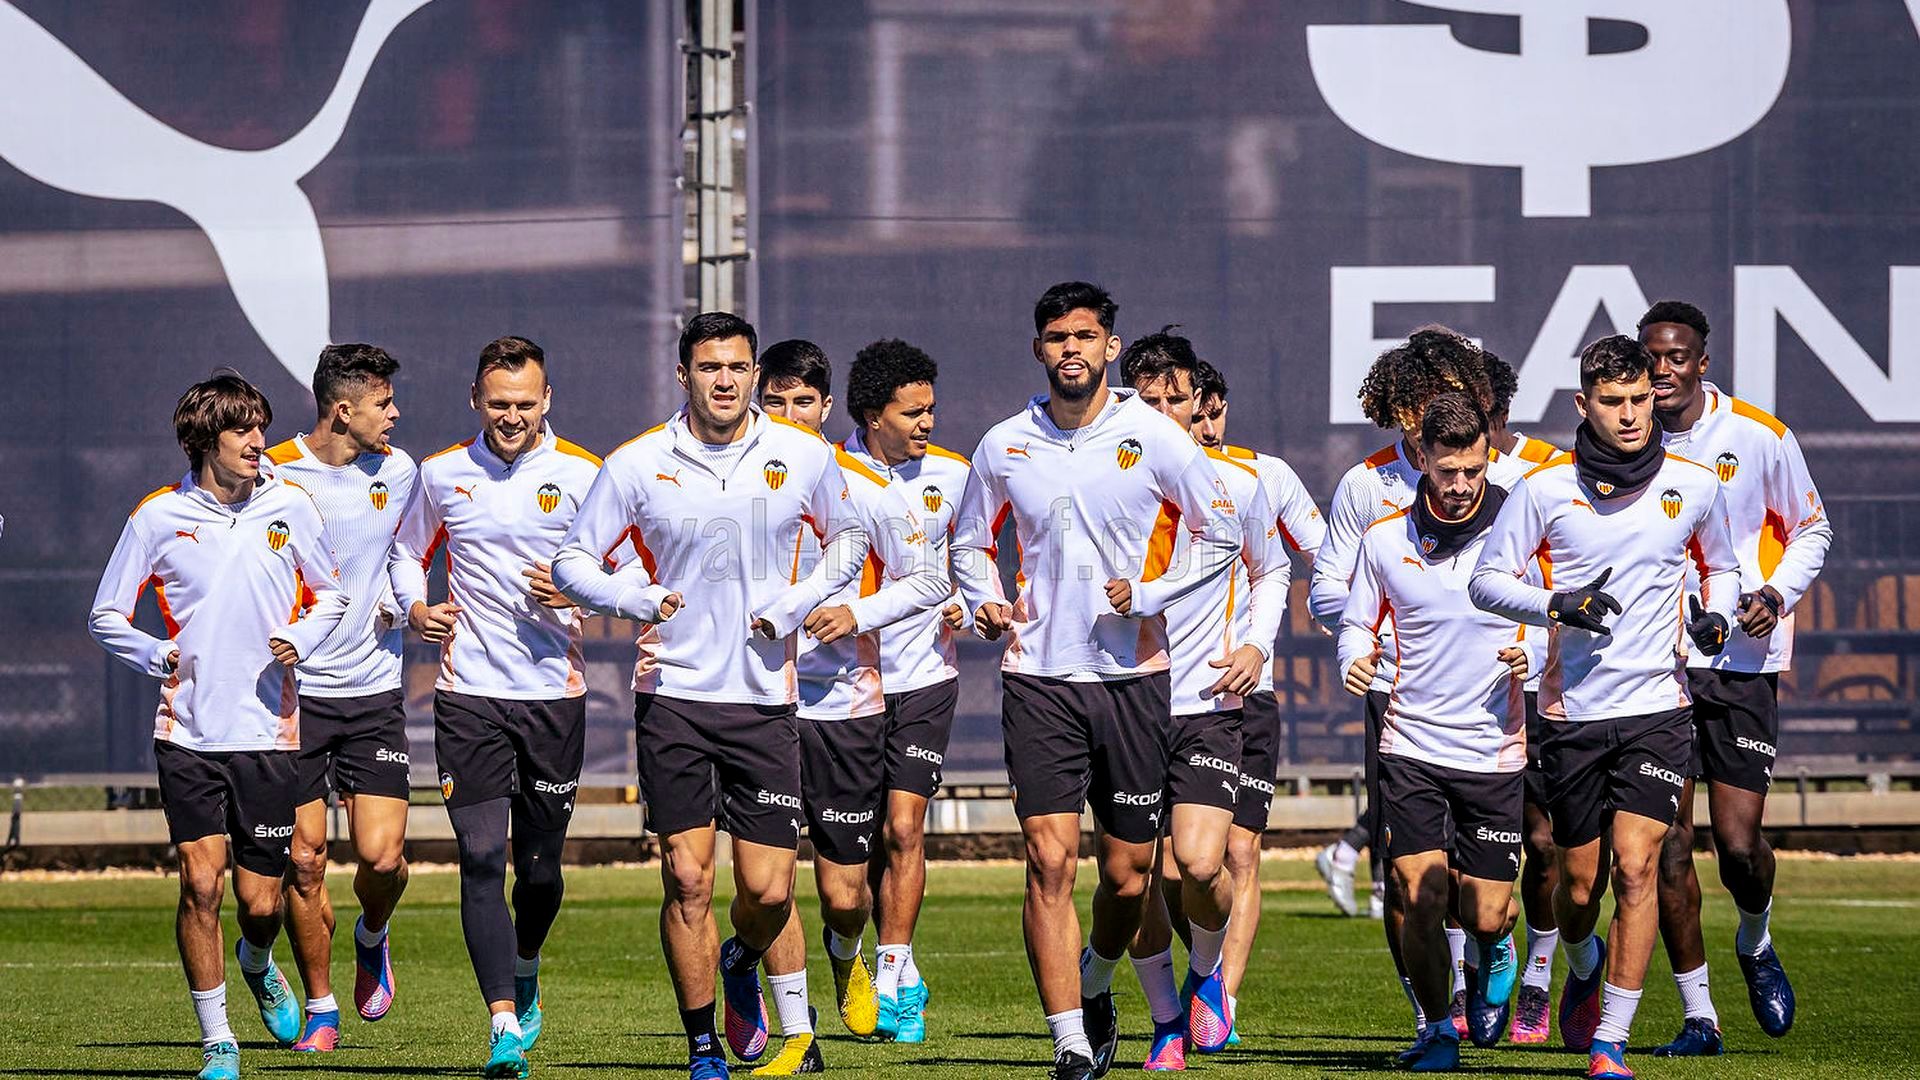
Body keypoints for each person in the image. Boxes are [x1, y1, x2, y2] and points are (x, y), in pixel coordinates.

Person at [550, 313, 865, 1080]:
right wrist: (637, 597)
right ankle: (702, 1048)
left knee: (765, 887)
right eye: (708, 366)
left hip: (764, 700)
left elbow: (849, 543)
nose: (724, 379)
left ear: (754, 374)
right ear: (683, 373)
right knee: (687, 878)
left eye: (737, 366)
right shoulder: (635, 463)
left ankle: (740, 960)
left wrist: (792, 608)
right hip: (675, 698)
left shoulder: (804, 454)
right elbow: (571, 562)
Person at [949, 282, 1242, 1080]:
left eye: (1085, 335)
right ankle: (1070, 1042)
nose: (1070, 349)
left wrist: (1147, 596)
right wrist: (982, 598)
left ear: (1111, 346)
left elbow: (1221, 534)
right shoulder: (1004, 442)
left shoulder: (1153, 436)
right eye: (1056, 337)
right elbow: (970, 543)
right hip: (1038, 678)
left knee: (1129, 873)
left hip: (1134, 678)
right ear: (1039, 349)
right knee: (1048, 860)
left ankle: (1098, 980)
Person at [1470, 334, 1741, 1080]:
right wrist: (1558, 603)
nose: (1629, 414)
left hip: (1659, 708)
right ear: (1582, 405)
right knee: (1577, 886)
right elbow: (1488, 582)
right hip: (1571, 716)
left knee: (1637, 866)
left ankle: (1610, 1044)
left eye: (1639, 398)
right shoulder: (1544, 490)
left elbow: (1722, 566)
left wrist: (1714, 617)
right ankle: (1581, 963)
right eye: (1612, 401)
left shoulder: (1694, 483)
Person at [89, 372, 349, 1080]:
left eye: (260, 428)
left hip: (268, 734)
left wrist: (304, 635)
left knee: (260, 902)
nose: (259, 443)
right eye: (242, 431)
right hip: (188, 734)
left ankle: (257, 959)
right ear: (205, 439)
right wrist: (154, 653)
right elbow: (105, 614)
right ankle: (218, 1042)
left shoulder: (290, 506)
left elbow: (331, 596)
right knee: (200, 884)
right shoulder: (156, 516)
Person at [390, 336, 604, 1079]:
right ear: (474, 400)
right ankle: (503, 1024)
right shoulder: (443, 474)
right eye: (498, 404)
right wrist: (415, 609)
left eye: (525, 404)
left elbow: (629, 567)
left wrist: (580, 589)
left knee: (539, 873)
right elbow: (405, 554)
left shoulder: (585, 474)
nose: (511, 417)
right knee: (481, 857)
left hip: (554, 698)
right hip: (469, 696)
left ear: (547, 400)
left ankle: (527, 962)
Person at [749, 340, 948, 1075]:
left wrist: (856, 615)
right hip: (753, 702)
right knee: (763, 879)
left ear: (828, 409)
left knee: (841, 894)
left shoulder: (859, 482)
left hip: (845, 707)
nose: (789, 414)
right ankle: (792, 1028)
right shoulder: (728, 477)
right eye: (776, 401)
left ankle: (845, 956)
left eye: (804, 402)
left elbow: (928, 578)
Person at [1639, 300, 1831, 1055]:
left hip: (1744, 663)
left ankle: (1755, 939)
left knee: (1739, 847)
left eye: (1677, 357)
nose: (1662, 371)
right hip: (1658, 667)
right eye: (1652, 357)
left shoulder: (1757, 435)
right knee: (1671, 846)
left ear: (1701, 361)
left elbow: (1812, 526)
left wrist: (1776, 594)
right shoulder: (1626, 438)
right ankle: (1699, 1016)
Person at [1308, 328, 1496, 1038]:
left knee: (1486, 876)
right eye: (1420, 404)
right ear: (1398, 408)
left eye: (1453, 396)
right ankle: (1430, 1014)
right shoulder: (1366, 484)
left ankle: (1493, 959)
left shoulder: (1495, 477)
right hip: (1397, 692)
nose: (1432, 417)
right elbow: (1327, 586)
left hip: (1488, 694)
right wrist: (1364, 622)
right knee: (1407, 865)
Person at [1339, 392, 1532, 1071]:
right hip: (1411, 744)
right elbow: (1357, 621)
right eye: (1446, 471)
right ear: (1421, 458)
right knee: (1418, 894)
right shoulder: (1384, 539)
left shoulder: (1523, 530)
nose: (1458, 487)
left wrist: (1534, 656)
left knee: (1484, 913)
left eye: (1472, 472)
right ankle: (1434, 1028)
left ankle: (1498, 945)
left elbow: (1560, 615)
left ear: (1489, 460)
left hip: (1493, 749)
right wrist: (1352, 658)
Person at [1115, 331, 1290, 1071]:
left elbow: (1274, 569)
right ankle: (1164, 1025)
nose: (1161, 412)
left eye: (1175, 399)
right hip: (1121, 699)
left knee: (1200, 864)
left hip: (1207, 698)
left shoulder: (1239, 484)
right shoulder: (1097, 479)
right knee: (1133, 875)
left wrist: (1255, 648)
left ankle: (1208, 973)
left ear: (1199, 404)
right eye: (1145, 400)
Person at [266, 344, 416, 1051]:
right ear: (342, 410)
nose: (396, 414)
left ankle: (372, 933)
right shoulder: (270, 472)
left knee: (382, 860)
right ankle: (322, 1009)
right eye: (384, 404)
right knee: (303, 859)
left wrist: (406, 604)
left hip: (373, 691)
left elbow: (402, 554)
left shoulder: (400, 470)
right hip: (294, 696)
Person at [839, 338, 976, 1042]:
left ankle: (896, 973)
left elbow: (977, 558)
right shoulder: (824, 473)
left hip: (926, 676)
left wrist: (972, 604)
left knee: (904, 828)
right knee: (853, 859)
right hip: (845, 685)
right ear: (872, 414)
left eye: (931, 409)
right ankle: (863, 957)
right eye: (912, 412)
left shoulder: (955, 473)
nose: (927, 422)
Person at [1188, 359, 1325, 1042]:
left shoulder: (1263, 475)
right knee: (1177, 863)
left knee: (1240, 850)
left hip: (1250, 691)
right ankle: (1193, 972)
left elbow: (1321, 554)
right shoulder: (1146, 473)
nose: (1205, 426)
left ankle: (1220, 1001)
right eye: (1193, 412)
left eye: (1215, 412)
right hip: (1168, 692)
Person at [1480, 349, 1564, 1045]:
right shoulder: (1415, 472)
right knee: (1446, 860)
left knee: (1544, 843)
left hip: (1535, 687)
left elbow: (1567, 579)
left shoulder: (1550, 473)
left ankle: (1540, 972)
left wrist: (1532, 649)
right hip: (1447, 698)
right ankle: (1470, 970)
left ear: (1498, 409)